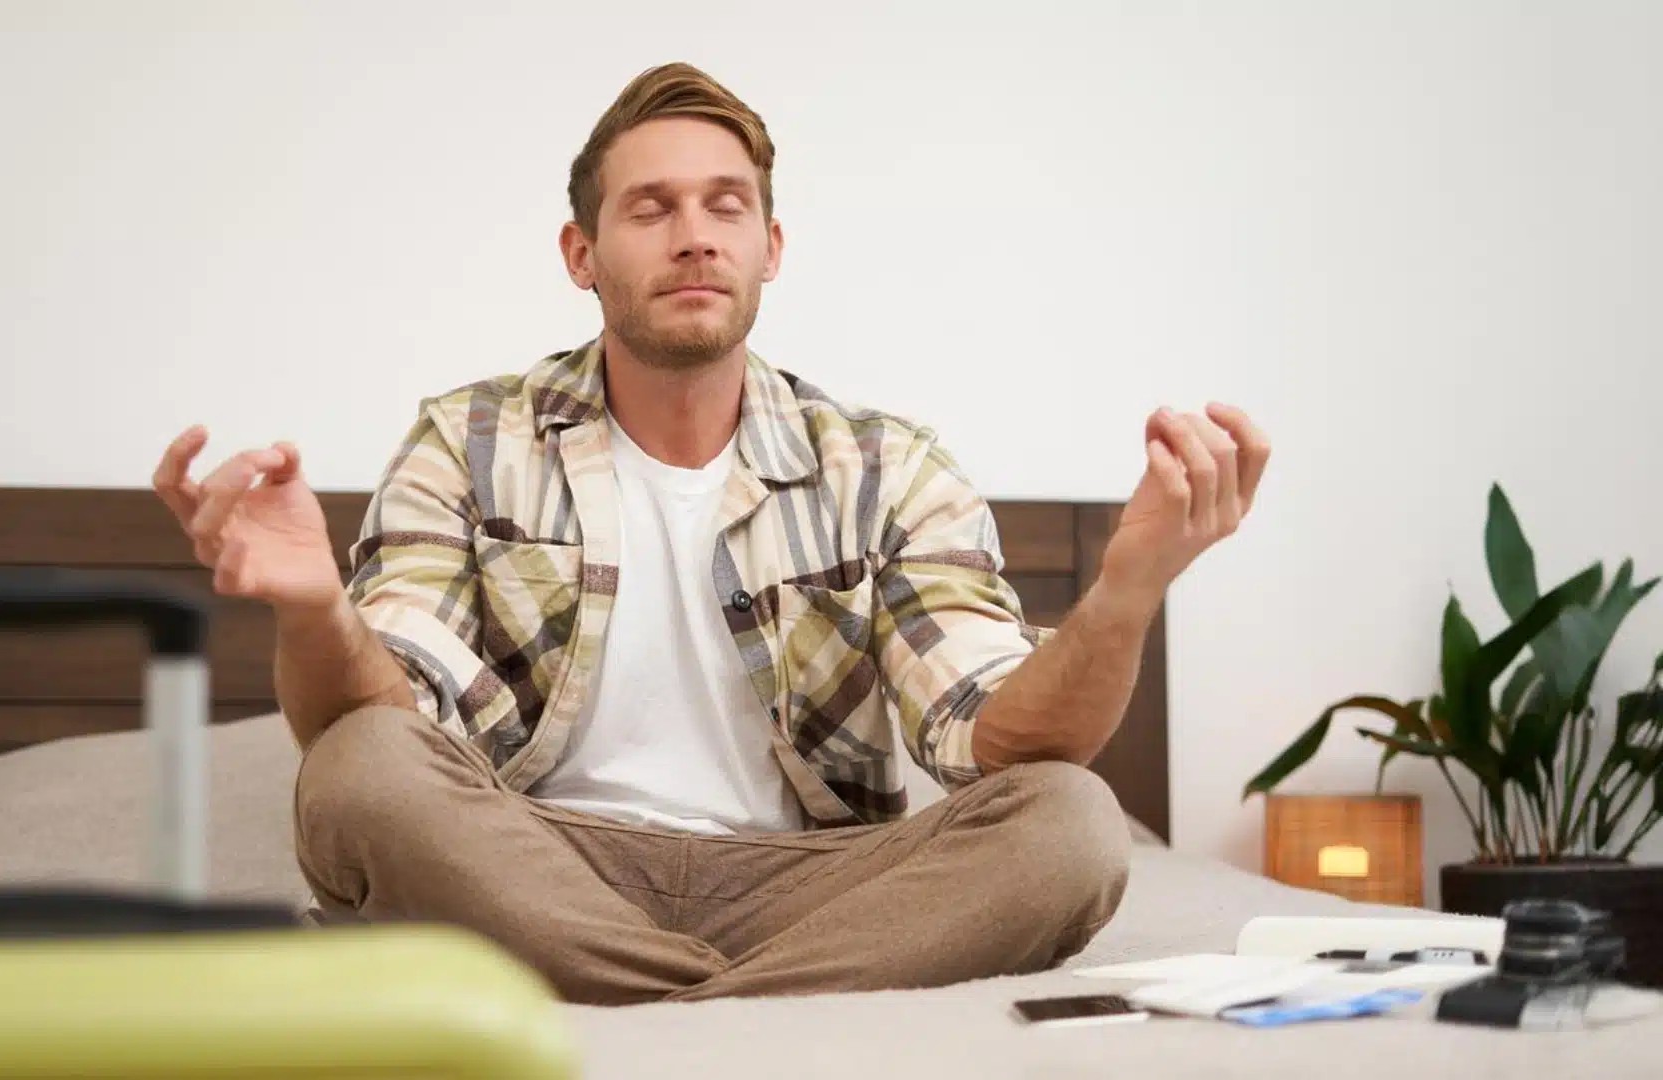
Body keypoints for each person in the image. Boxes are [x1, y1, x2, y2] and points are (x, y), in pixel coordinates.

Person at [151, 62, 1269, 1006]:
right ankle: (757, 1010)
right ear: (580, 253)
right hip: (539, 860)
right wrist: (313, 611)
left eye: (726, 206)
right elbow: (386, 719)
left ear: (771, 245)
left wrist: (1126, 592)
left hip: (814, 882)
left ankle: (649, 1004)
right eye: (651, 209)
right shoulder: (466, 440)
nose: (694, 238)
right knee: (358, 772)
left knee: (1072, 819)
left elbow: (997, 743)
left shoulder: (885, 466)